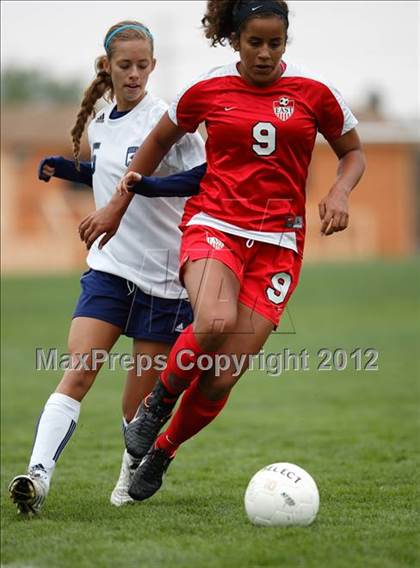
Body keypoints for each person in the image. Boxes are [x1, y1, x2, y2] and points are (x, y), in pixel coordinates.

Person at [80, 0, 366, 502]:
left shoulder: (315, 93)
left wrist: (340, 192)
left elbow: (353, 152)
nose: (264, 53)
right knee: (213, 320)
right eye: (254, 42)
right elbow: (156, 141)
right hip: (215, 226)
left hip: (279, 245)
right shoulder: (206, 87)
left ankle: (163, 451)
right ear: (235, 40)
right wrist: (119, 206)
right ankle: (155, 407)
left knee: (220, 378)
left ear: (285, 42)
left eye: (274, 43)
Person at [8, 20, 205, 515]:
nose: (134, 74)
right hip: (110, 269)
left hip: (163, 280)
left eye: (143, 66)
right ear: (107, 68)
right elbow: (110, 173)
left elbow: (203, 176)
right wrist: (69, 168)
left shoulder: (170, 120)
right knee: (78, 372)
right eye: (125, 66)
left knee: (135, 410)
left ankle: (126, 482)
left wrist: (143, 188)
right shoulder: (100, 123)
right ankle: (37, 478)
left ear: (153, 66)